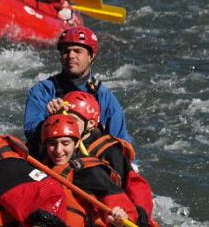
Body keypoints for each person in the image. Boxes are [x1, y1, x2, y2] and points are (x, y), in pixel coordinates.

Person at [39, 113, 139, 227]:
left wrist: (122, 222)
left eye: (65, 143)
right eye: (52, 144)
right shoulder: (39, 167)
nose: (58, 150)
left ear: (77, 143)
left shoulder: (91, 172)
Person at [23, 27, 132, 150]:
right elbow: (31, 134)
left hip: (89, 161)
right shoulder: (43, 90)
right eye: (66, 51)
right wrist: (52, 119)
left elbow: (121, 142)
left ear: (91, 56)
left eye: (77, 51)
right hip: (52, 157)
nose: (71, 56)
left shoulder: (103, 96)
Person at [61, 91, 153, 220]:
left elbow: (134, 185)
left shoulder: (110, 151)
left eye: (73, 120)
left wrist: (138, 216)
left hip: (103, 215)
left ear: (91, 124)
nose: (67, 124)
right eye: (63, 117)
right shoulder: (56, 144)